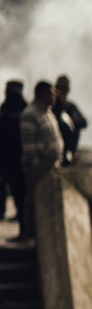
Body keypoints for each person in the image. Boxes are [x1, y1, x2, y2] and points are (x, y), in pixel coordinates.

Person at [18, 81, 63, 241]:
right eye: (51, 93)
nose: (54, 97)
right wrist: (37, 164)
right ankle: (31, 234)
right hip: (38, 167)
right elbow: (28, 144)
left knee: (49, 200)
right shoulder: (30, 114)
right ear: (42, 94)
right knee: (35, 199)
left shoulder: (48, 112)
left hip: (51, 166)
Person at [0, 81, 27, 230]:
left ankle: (25, 228)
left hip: (20, 160)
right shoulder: (7, 110)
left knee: (22, 196)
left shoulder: (23, 110)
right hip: (9, 160)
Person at [52, 75, 87, 167]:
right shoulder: (50, 106)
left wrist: (71, 122)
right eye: (59, 88)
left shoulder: (70, 107)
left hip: (68, 148)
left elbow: (83, 122)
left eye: (64, 89)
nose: (61, 91)